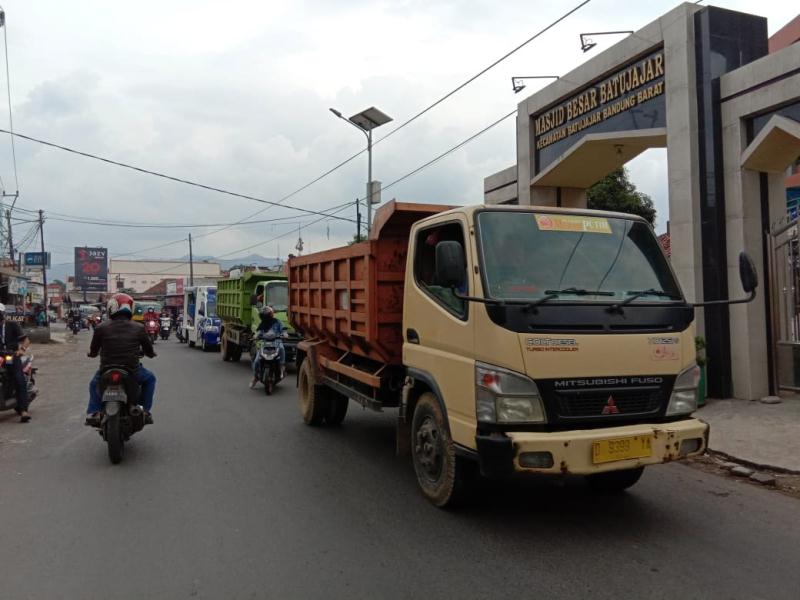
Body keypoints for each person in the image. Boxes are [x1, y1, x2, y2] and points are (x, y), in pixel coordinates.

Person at [85, 293, 157, 426]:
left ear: (112, 307)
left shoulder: (101, 327)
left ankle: (94, 412)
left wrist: (92, 354)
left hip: (106, 370)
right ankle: (144, 411)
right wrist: (151, 354)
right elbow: (149, 350)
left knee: (94, 383)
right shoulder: (139, 327)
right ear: (131, 308)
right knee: (150, 378)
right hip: (132, 370)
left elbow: (94, 351)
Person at [0, 304, 31, 422]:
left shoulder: (12, 325)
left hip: (10, 356)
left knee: (19, 379)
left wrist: (21, 350)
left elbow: (26, 340)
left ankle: (23, 411)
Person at [250, 306, 285, 388]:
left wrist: (284, 334)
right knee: (256, 361)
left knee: (282, 348)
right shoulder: (262, 324)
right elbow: (258, 332)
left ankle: (282, 366)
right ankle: (255, 377)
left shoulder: (277, 322)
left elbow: (283, 330)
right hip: (265, 343)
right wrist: (255, 336)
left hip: (276, 342)